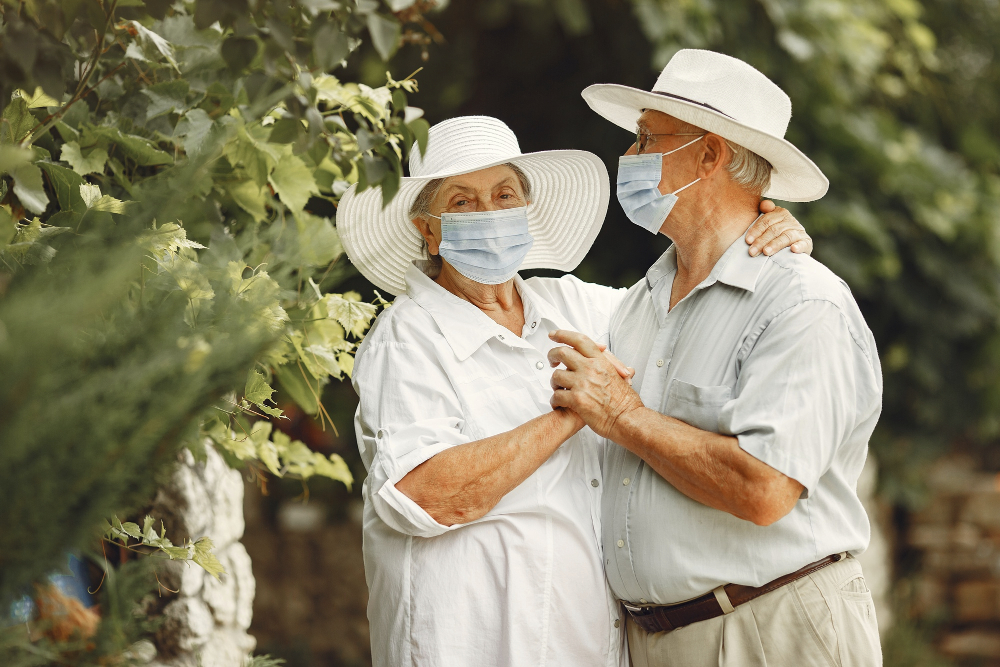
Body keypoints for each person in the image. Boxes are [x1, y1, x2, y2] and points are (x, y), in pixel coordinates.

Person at [337, 115, 811, 667]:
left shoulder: (576, 306)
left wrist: (761, 237)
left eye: (504, 194)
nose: (489, 213)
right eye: (462, 202)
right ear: (430, 230)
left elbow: (688, 312)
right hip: (468, 647)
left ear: (525, 209)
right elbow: (427, 495)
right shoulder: (407, 337)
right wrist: (574, 413)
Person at [549, 49, 883, 666]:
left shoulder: (802, 303)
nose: (627, 157)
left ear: (710, 154)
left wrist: (622, 417)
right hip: (660, 641)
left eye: (648, 138)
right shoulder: (638, 303)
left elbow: (763, 489)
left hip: (771, 632)